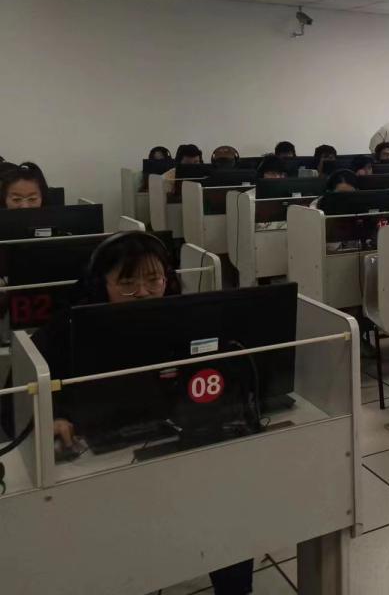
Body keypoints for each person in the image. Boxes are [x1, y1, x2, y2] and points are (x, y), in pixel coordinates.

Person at [29, 232, 255, 594]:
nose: (144, 293)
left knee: (226, 506)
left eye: (153, 280)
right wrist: (53, 416)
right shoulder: (67, 327)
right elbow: (23, 382)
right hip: (101, 458)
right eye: (127, 284)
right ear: (100, 286)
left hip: (177, 441)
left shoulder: (186, 316)